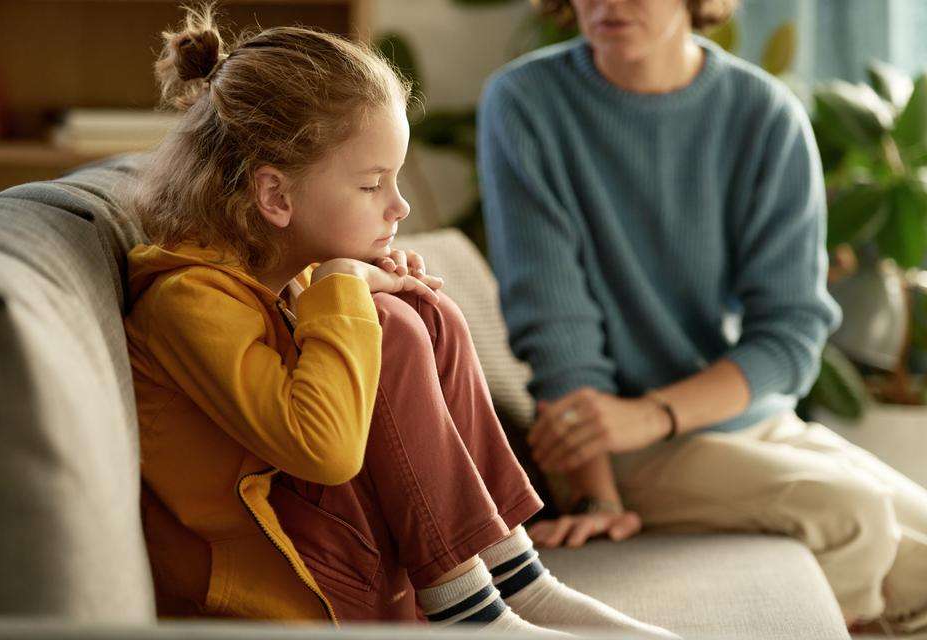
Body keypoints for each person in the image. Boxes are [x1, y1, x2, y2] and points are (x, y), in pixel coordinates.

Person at [123, 4, 677, 636]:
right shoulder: (187, 301)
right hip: (283, 594)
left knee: (418, 313)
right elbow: (323, 452)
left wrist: (355, 289)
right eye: (372, 184)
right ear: (275, 197)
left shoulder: (277, 272)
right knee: (385, 323)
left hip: (334, 555)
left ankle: (512, 574)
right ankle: (467, 608)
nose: (400, 204)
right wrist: (344, 288)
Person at [478, 0, 927, 633]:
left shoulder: (764, 114)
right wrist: (598, 494)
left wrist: (656, 412)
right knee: (851, 516)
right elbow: (558, 331)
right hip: (617, 445)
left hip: (738, 419)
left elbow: (791, 334)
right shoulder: (526, 102)